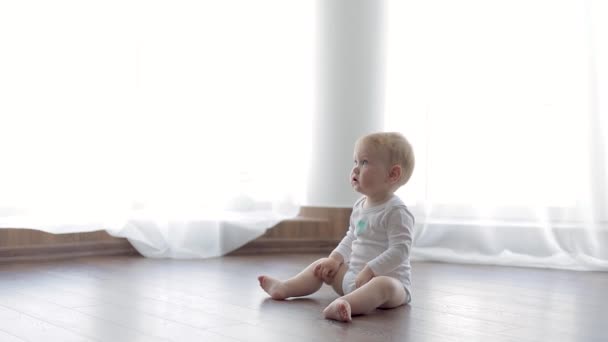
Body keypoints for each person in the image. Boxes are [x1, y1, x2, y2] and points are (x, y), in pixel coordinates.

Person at [258, 132, 415, 322]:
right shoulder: (360, 206)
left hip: (390, 288)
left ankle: (345, 304)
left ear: (393, 174)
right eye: (355, 162)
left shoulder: (396, 211)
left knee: (384, 284)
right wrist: (334, 259)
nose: (355, 169)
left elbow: (401, 250)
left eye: (364, 162)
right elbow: (351, 237)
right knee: (322, 266)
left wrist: (371, 270)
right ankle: (285, 288)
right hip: (355, 279)